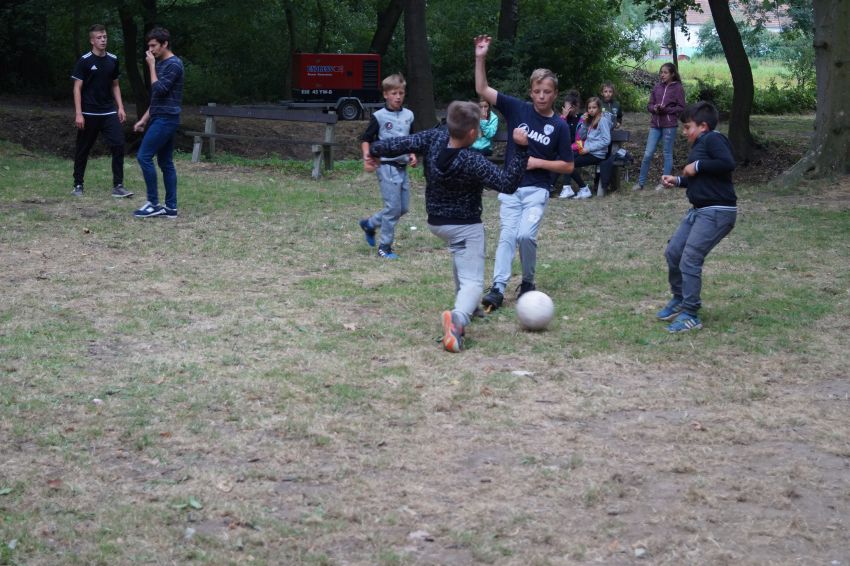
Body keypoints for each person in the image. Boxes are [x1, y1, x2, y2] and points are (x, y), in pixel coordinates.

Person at [367, 101, 530, 352]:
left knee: (462, 257)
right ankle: (457, 320)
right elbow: (507, 183)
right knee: (473, 281)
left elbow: (404, 142)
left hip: (437, 222)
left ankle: (469, 306)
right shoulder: (472, 160)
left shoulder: (435, 138)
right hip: (464, 225)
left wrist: (375, 149)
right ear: (473, 133)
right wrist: (521, 148)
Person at [474, 35, 573, 312]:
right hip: (510, 188)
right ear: (531, 92)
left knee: (525, 236)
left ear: (555, 94)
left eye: (547, 92)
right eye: (537, 91)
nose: (542, 96)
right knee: (507, 236)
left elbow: (568, 165)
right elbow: (482, 88)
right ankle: (498, 287)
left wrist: (538, 162)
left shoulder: (559, 126)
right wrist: (480, 58)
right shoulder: (517, 108)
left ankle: (528, 281)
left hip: (537, 190)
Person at [657, 101, 737, 333]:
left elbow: (727, 163)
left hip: (717, 212)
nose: (684, 132)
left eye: (687, 127)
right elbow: (702, 179)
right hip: (699, 211)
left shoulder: (713, 139)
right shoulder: (702, 144)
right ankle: (680, 298)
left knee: (690, 258)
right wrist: (678, 181)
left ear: (703, 126)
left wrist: (698, 165)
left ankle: (691, 314)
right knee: (673, 252)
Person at [358, 73, 417, 259]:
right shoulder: (379, 117)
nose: (398, 97)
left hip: (402, 167)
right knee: (392, 209)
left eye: (401, 93)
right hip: (386, 166)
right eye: (394, 93)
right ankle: (384, 247)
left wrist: (412, 154)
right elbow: (366, 139)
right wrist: (367, 156)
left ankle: (370, 224)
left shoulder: (409, 115)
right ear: (385, 94)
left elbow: (410, 139)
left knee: (403, 208)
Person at [70, 24, 132, 198]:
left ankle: (118, 186)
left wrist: (120, 107)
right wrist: (78, 113)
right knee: (83, 149)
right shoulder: (84, 61)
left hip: (108, 112)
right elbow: (77, 88)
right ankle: (78, 184)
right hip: (89, 113)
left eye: (105, 37)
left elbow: (115, 85)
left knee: (118, 144)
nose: (103, 40)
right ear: (92, 41)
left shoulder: (113, 59)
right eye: (99, 37)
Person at [132, 27, 184, 218]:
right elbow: (156, 99)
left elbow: (160, 89)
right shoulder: (161, 64)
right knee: (165, 162)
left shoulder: (174, 64)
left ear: (165, 44)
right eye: (149, 46)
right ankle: (170, 208)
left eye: (154, 46)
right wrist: (143, 120)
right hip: (159, 117)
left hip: (166, 119)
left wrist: (151, 67)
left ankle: (153, 204)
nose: (150, 50)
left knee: (143, 156)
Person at [633, 63, 685, 192]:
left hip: (669, 125)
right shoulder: (657, 87)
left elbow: (681, 107)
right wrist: (655, 108)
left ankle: (664, 183)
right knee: (648, 153)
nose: (662, 75)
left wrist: (666, 110)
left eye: (665, 72)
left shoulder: (678, 88)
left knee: (667, 153)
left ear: (672, 74)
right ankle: (640, 183)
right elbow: (649, 105)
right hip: (655, 125)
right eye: (661, 72)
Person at [562, 96, 613, 200]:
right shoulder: (590, 120)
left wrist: (588, 149)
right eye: (589, 108)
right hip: (587, 151)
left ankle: (583, 189)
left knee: (569, 164)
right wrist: (585, 124)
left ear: (599, 108)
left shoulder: (602, 120)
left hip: (597, 154)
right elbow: (581, 136)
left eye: (594, 107)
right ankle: (573, 188)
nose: (591, 110)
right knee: (566, 158)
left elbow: (606, 140)